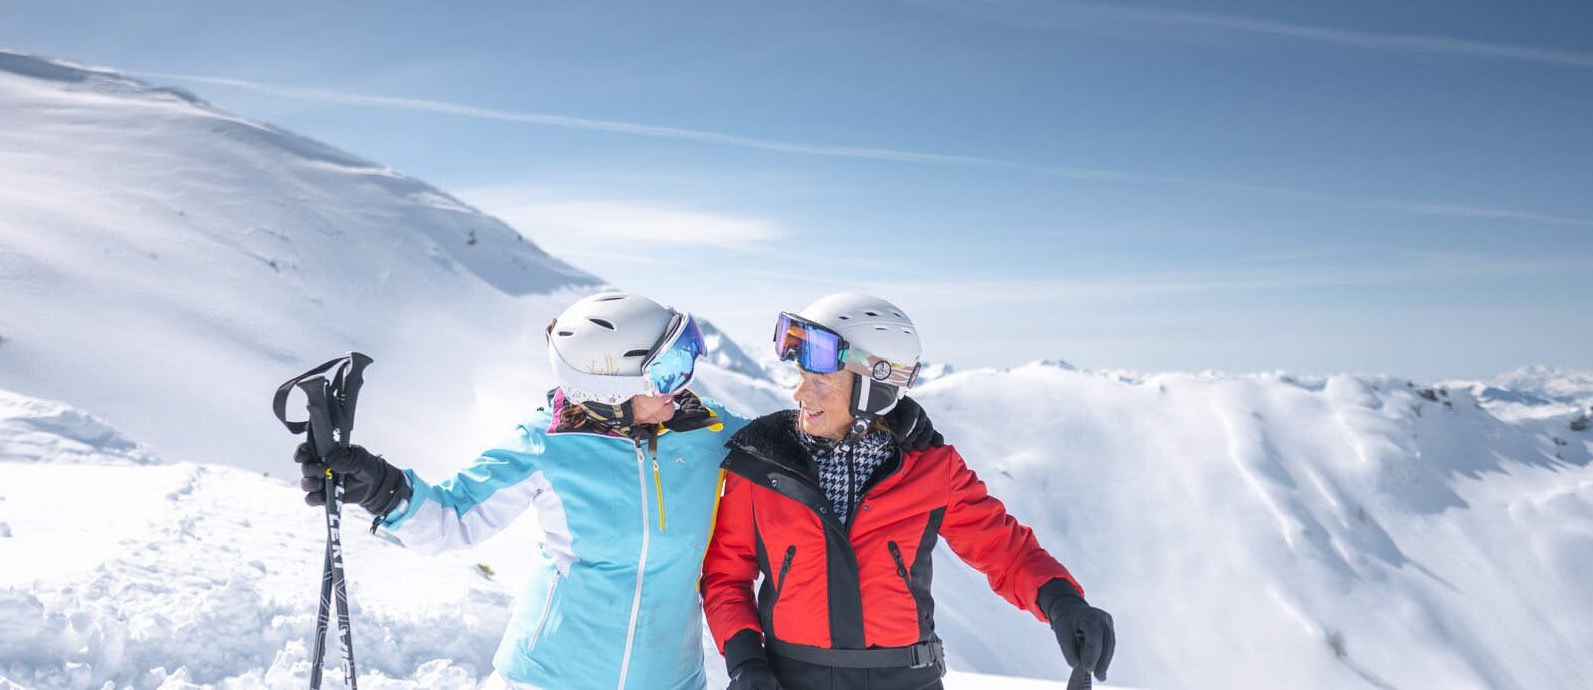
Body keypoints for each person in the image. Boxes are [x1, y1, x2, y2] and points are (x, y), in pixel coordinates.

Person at [293, 291, 942, 690]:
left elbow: (805, 444)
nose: (685, 380)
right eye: (667, 368)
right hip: (550, 680)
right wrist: (377, 486)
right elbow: (452, 520)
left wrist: (885, 415)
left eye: (687, 356)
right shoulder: (546, 447)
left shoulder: (711, 433)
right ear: (607, 387)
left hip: (673, 681)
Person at [701, 293, 1116, 689]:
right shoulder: (761, 465)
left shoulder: (933, 469)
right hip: (791, 679)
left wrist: (1063, 602)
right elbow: (725, 577)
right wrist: (746, 663)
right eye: (800, 376)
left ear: (874, 385)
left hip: (907, 679)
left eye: (822, 380)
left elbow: (1006, 551)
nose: (800, 393)